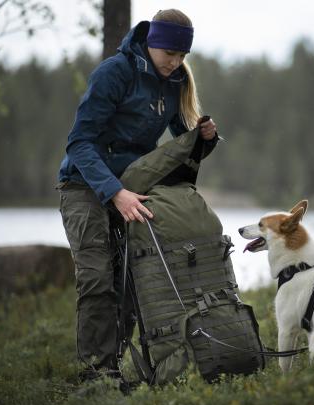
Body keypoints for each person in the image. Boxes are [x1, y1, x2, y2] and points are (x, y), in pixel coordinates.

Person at [57, 9, 218, 381]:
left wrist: (205, 140)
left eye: (182, 57)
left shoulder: (175, 80)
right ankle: (95, 373)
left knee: (134, 278)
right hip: (83, 185)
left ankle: (112, 363)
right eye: (170, 55)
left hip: (132, 188)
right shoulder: (115, 72)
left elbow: (179, 147)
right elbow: (79, 143)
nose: (176, 63)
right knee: (98, 277)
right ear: (152, 43)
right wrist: (115, 193)